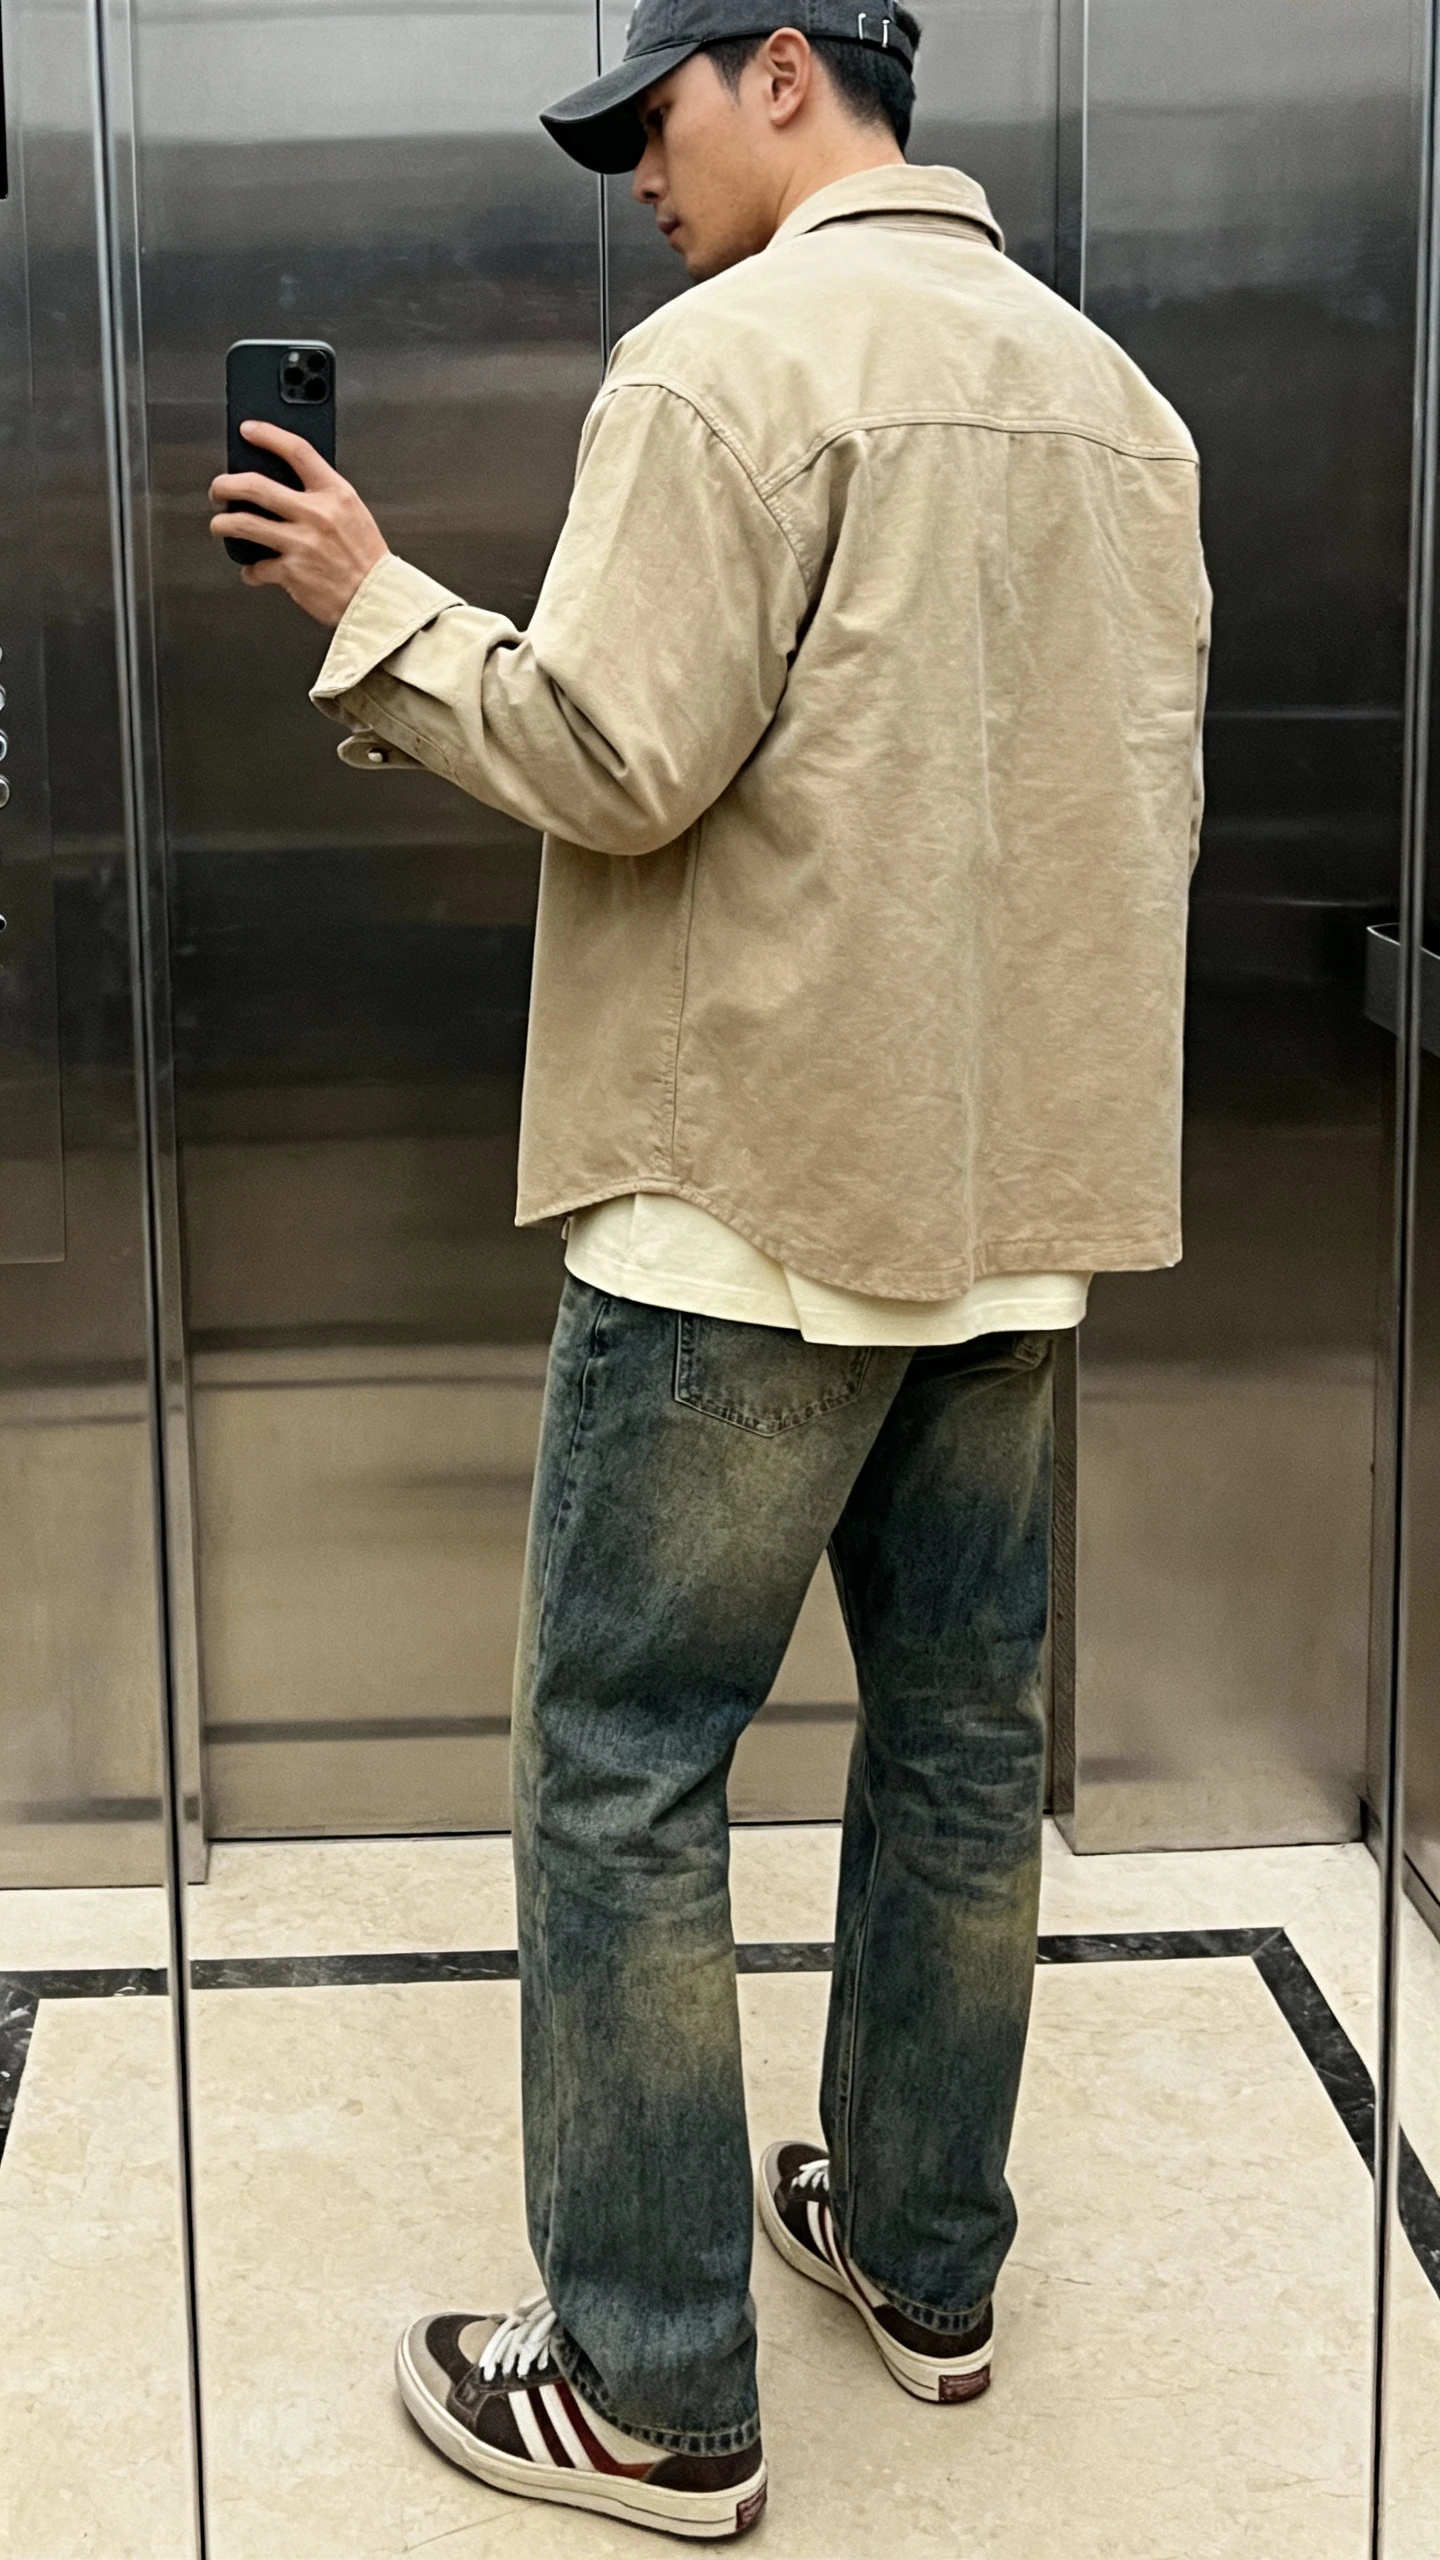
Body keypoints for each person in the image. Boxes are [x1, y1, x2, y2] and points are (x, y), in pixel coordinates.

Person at [209, 0, 1209, 2537]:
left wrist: (374, 594)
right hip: (1016, 1212)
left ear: (783, 68)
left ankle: (655, 2384)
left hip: (747, 1210)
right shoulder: (1120, 400)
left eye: (645, 123)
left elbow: (620, 755)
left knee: (625, 1766)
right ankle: (923, 2256)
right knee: (964, 1743)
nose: (633, 182)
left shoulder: (726, 362)